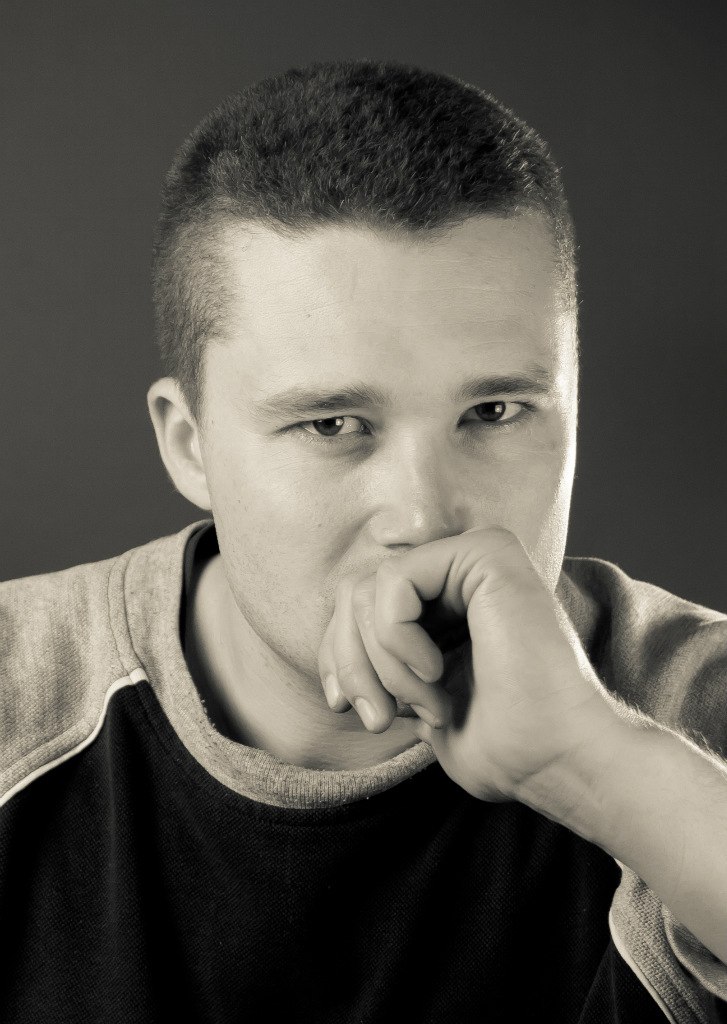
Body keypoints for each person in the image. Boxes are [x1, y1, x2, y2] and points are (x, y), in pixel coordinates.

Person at [1, 59, 726, 1024]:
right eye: (332, 425)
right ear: (189, 444)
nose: (424, 518)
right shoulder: (18, 701)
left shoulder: (693, 714)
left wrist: (598, 768)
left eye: (494, 412)